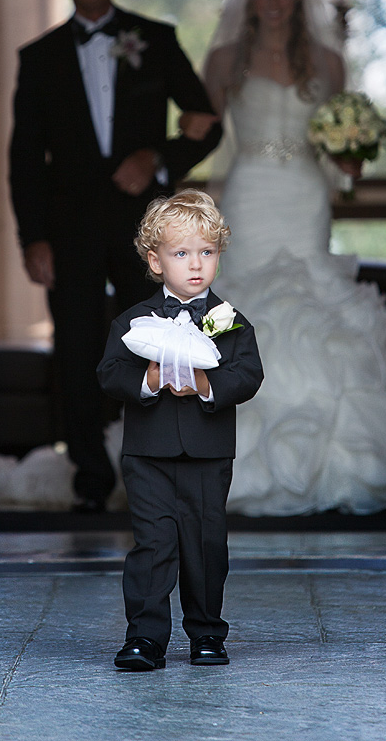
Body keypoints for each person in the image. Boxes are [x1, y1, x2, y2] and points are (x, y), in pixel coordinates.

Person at [193, 0, 386, 516]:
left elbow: (344, 151)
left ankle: (330, 467)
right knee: (246, 309)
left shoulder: (327, 60)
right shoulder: (223, 61)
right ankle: (231, 464)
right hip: (248, 192)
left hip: (305, 197)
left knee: (310, 303)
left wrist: (350, 160)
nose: (274, 2)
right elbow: (199, 135)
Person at [8, 0, 222, 512]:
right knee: (76, 350)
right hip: (69, 227)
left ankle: (154, 471)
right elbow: (24, 158)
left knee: (156, 345)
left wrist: (157, 160)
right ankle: (90, 478)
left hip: (145, 228)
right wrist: (34, 238)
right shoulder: (39, 58)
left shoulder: (155, 39)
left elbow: (208, 121)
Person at [97, 190, 263, 671]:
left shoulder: (230, 324)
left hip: (208, 455)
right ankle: (145, 638)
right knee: (153, 545)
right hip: (148, 454)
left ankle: (208, 634)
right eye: (182, 253)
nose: (196, 265)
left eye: (206, 253)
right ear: (155, 260)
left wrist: (207, 384)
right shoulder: (134, 321)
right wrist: (147, 379)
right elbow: (109, 374)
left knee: (206, 544)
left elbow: (248, 375)